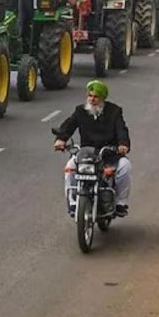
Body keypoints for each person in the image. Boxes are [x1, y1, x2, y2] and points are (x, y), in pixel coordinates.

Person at [54, 80, 132, 218]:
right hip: (85, 154)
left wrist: (123, 144)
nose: (92, 99)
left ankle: (120, 203)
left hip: (109, 154)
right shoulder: (80, 111)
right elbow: (69, 125)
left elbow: (121, 129)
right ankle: (73, 203)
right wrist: (61, 139)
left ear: (103, 98)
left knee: (125, 167)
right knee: (69, 168)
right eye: (90, 96)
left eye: (96, 96)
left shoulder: (114, 111)